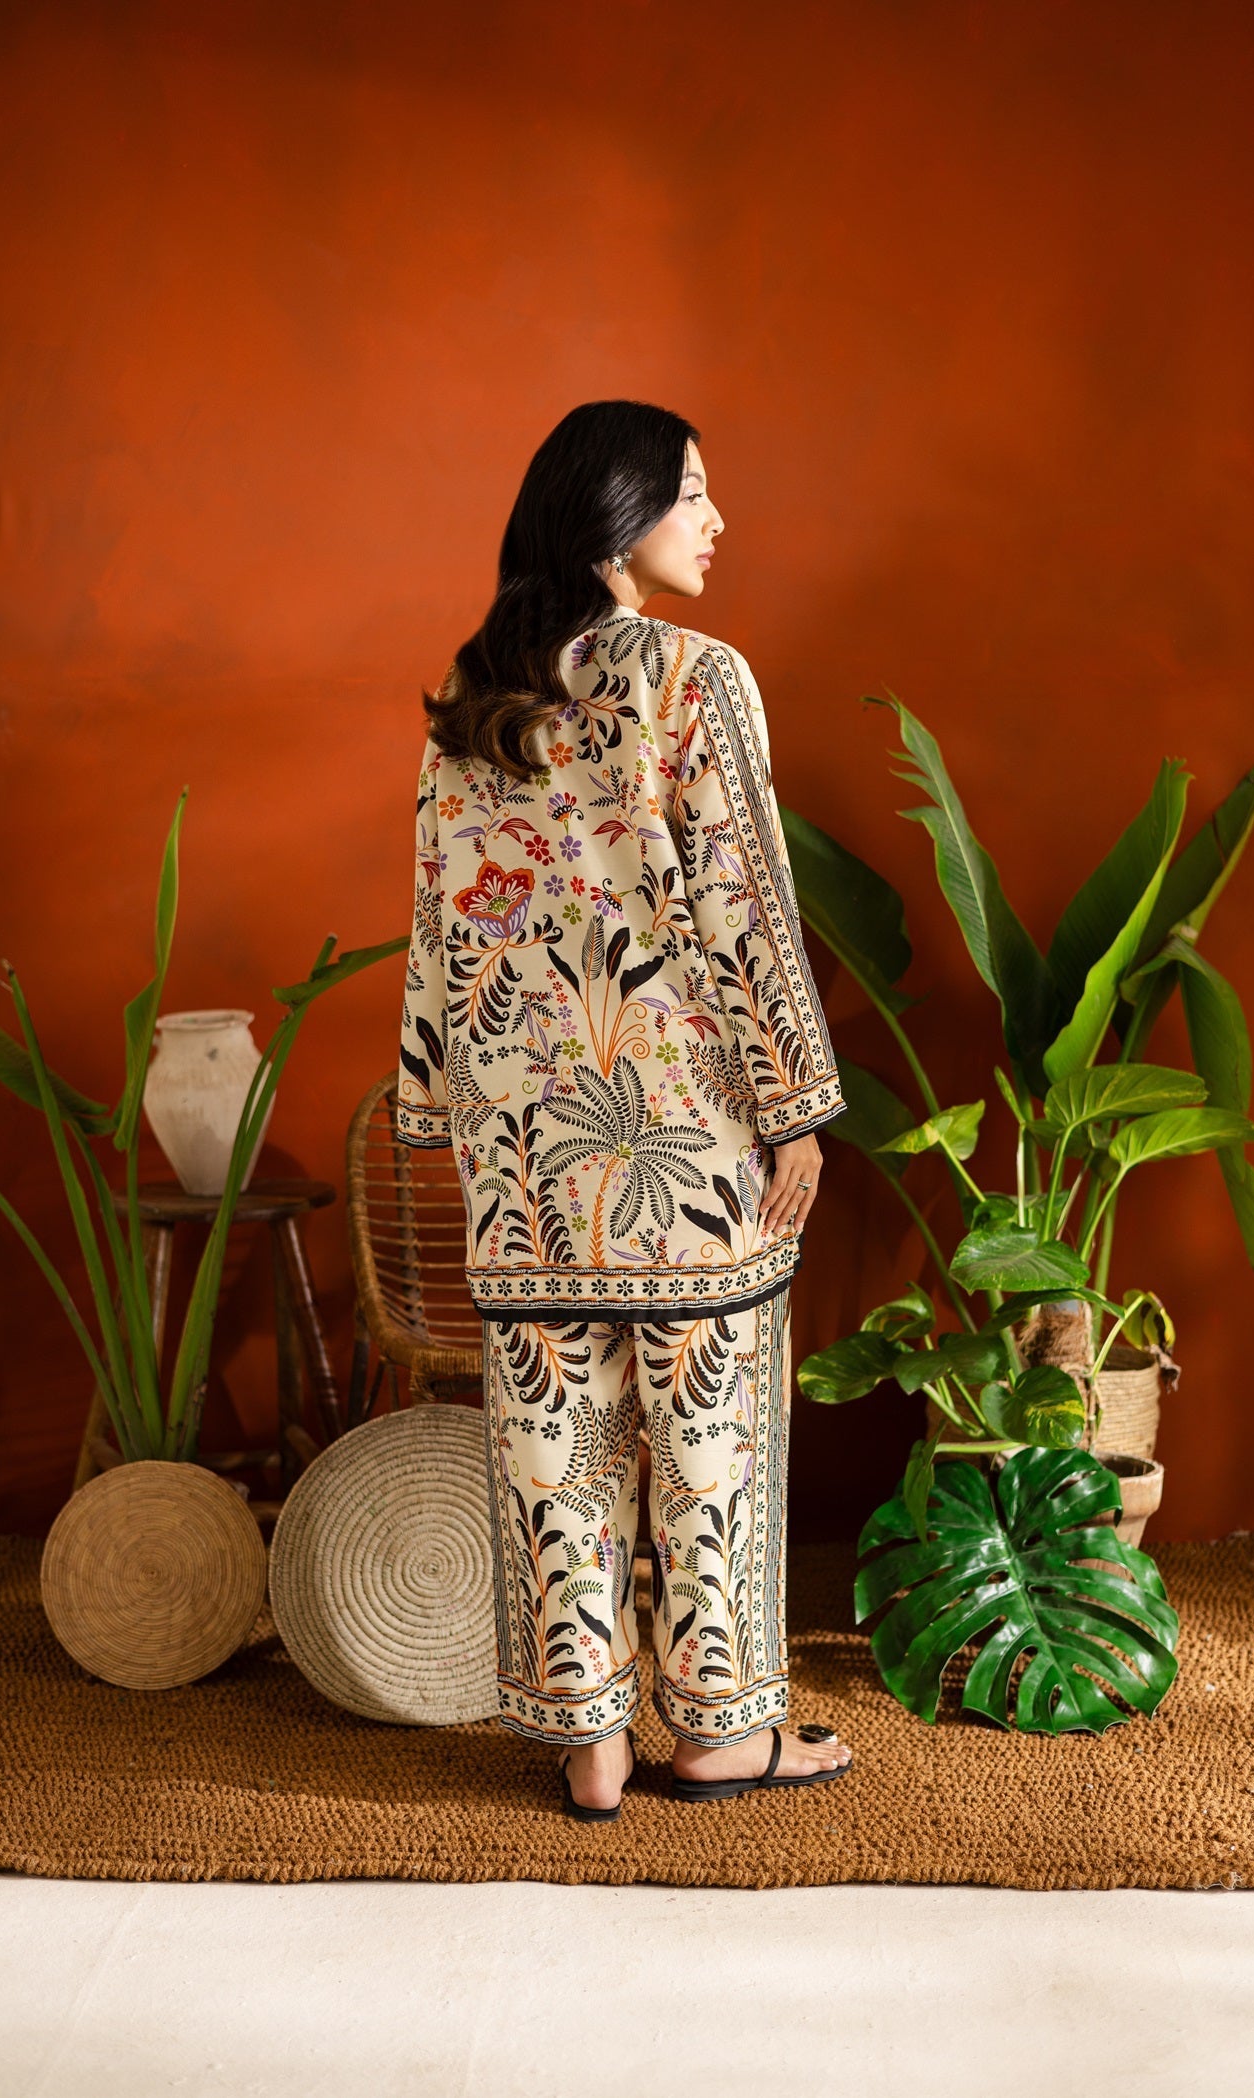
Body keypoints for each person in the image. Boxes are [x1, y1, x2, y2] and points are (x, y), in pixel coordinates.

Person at [397, 400, 855, 1818]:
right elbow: (742, 900)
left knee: (555, 1448)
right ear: (620, 513)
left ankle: (588, 1744)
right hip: (683, 1140)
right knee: (708, 1439)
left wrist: (433, 1108)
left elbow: (440, 922)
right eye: (693, 493)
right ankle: (719, 1733)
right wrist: (796, 1104)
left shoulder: (474, 693)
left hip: (521, 1143)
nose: (716, 521)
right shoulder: (693, 676)